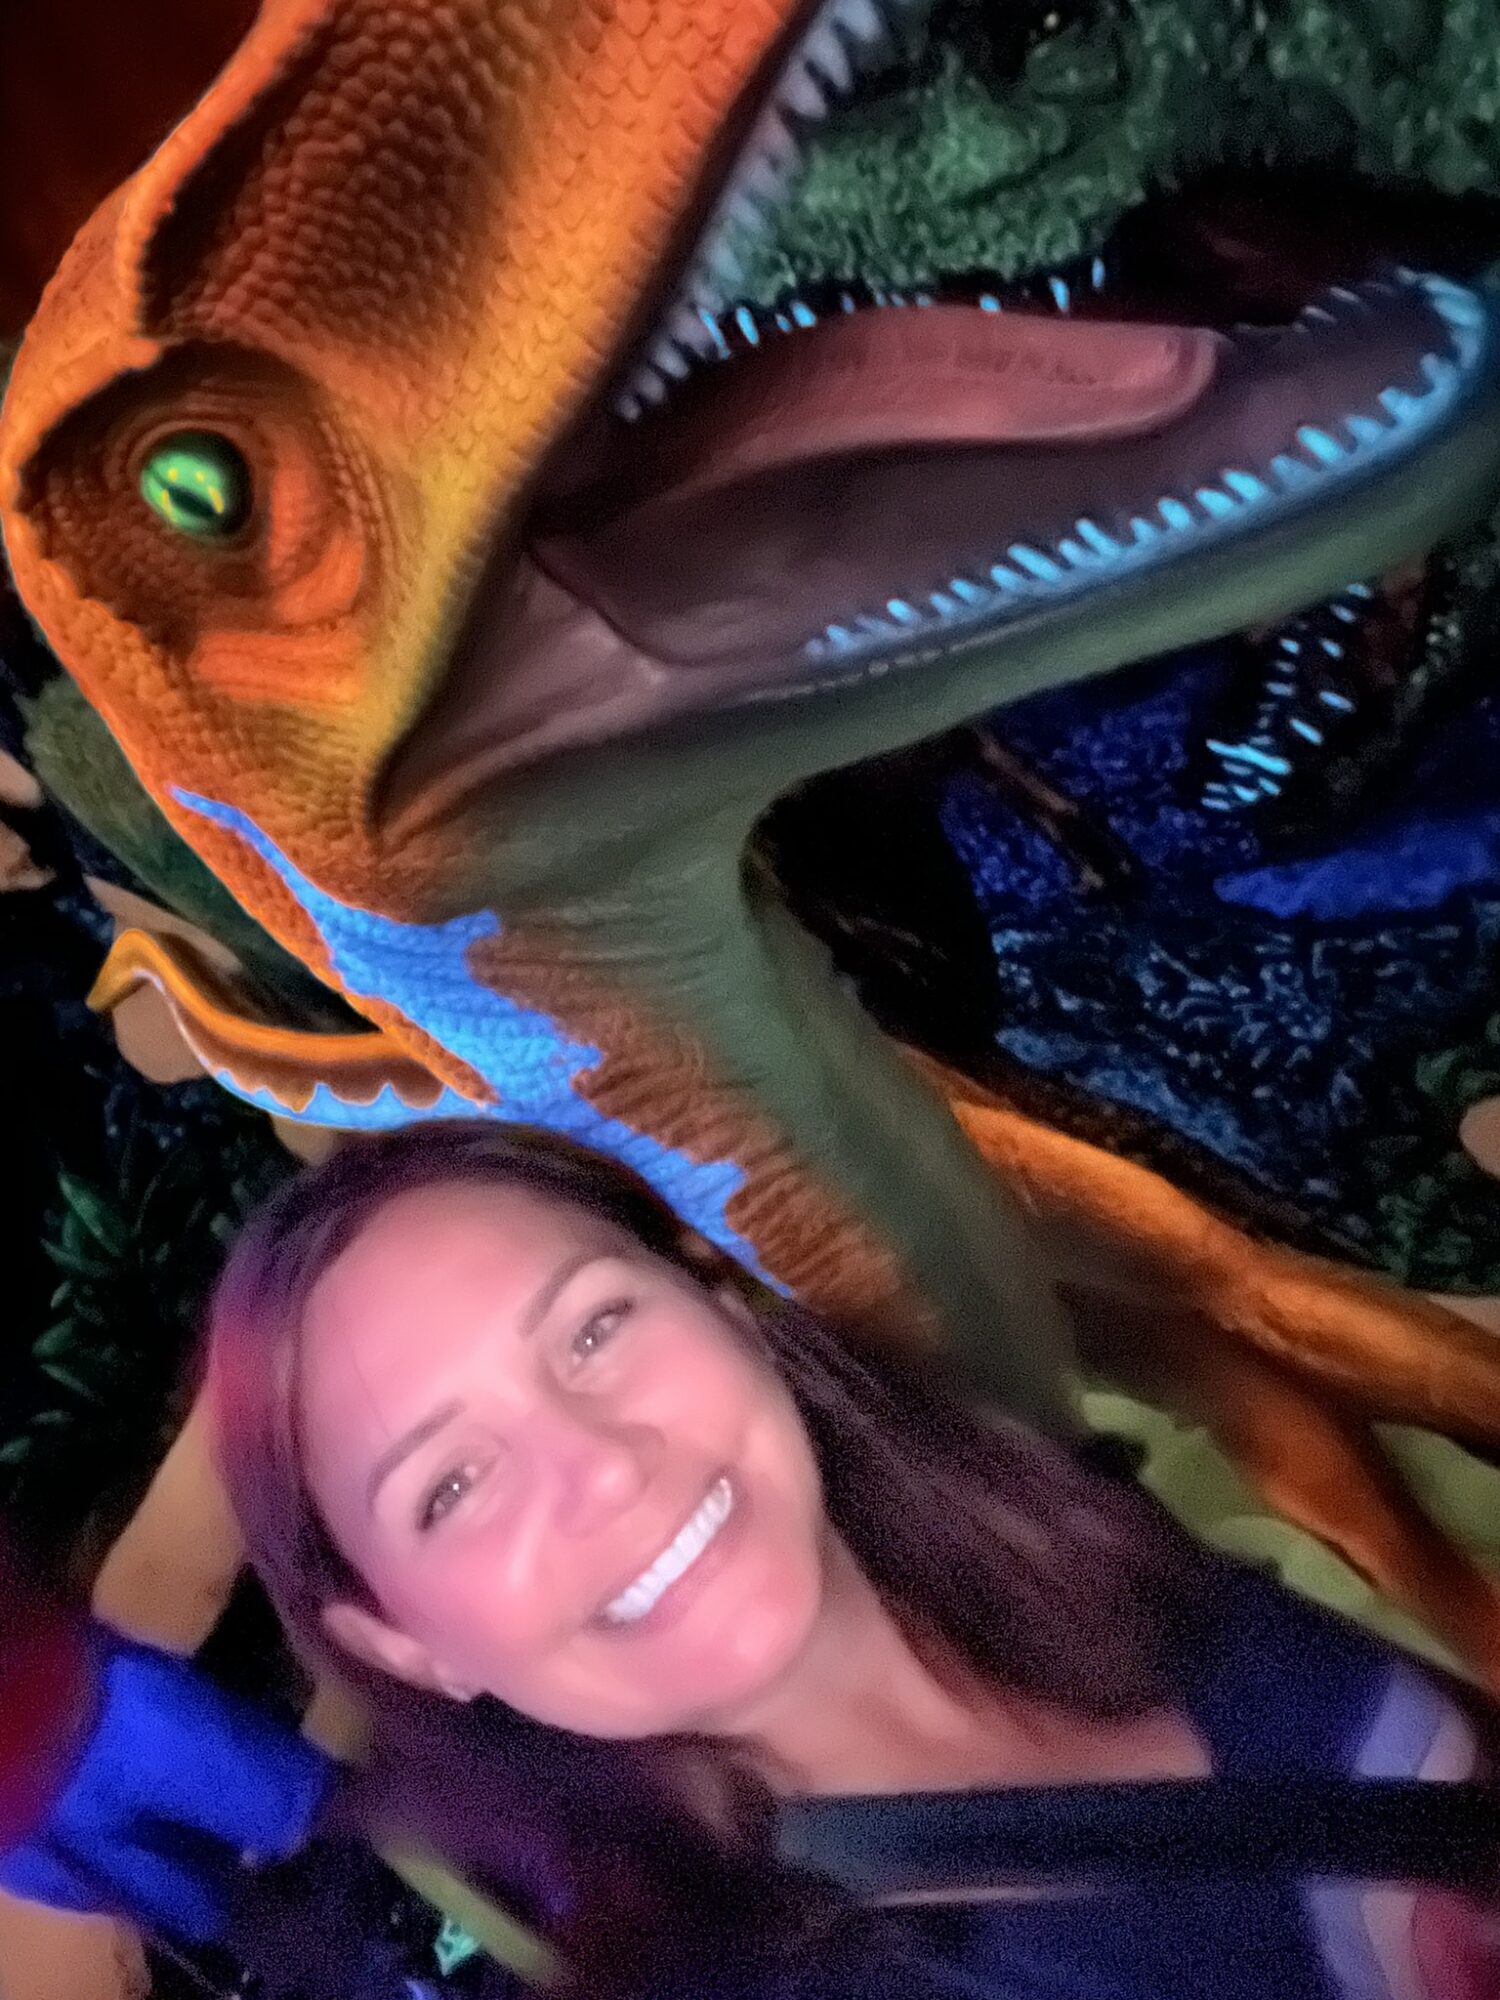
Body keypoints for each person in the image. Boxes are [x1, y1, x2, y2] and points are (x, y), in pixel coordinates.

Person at [205, 1121, 1500, 2000]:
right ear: (401, 1644)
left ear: (725, 1309)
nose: (600, 1466)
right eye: (452, 1486)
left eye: (594, 1330)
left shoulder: (1092, 1525)